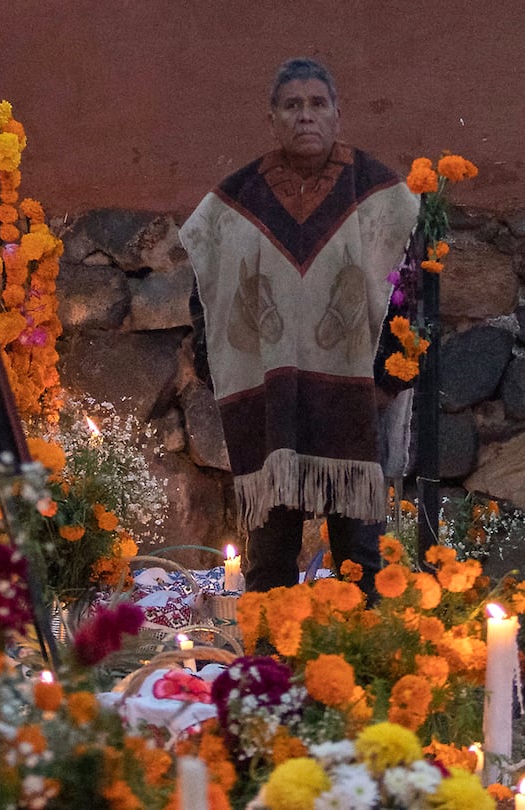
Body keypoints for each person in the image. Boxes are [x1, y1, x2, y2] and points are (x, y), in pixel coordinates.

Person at [179, 58, 419, 593]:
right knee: (268, 561)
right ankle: (270, 670)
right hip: (270, 404)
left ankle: (359, 669)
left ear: (338, 114)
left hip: (354, 403)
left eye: (317, 104)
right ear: (272, 119)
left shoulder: (379, 193)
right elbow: (208, 286)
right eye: (292, 105)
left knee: (361, 562)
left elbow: (410, 286)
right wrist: (216, 364)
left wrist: (386, 382)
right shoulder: (239, 200)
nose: (305, 116)